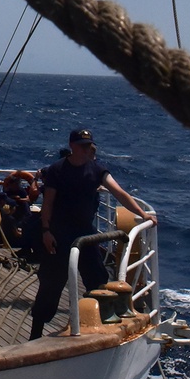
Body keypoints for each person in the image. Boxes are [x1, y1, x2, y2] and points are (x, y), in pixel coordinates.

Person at [29, 128, 156, 339]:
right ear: (72, 145)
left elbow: (120, 193)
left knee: (98, 280)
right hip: (59, 236)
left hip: (86, 236)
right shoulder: (57, 170)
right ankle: (35, 334)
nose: (86, 149)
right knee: (51, 286)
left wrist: (143, 214)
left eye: (88, 145)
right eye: (82, 145)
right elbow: (48, 204)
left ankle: (100, 330)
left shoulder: (97, 171)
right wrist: (46, 231)